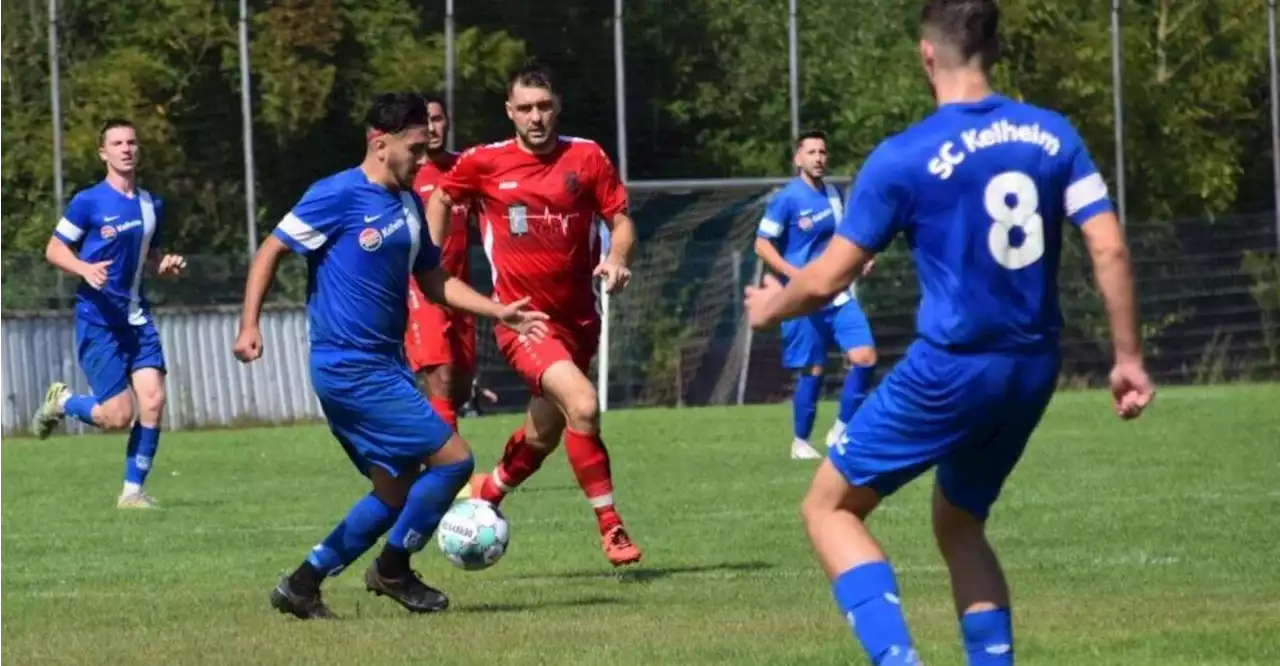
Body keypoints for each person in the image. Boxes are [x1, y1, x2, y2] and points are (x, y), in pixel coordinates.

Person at [744, 1, 1156, 663]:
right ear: (993, 52)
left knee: (829, 509)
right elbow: (1108, 248)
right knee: (960, 523)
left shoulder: (904, 156)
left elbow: (823, 282)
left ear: (926, 56)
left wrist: (768, 310)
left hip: (953, 368)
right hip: (1032, 369)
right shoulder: (1054, 136)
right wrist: (1128, 357)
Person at [233, 92, 547, 620]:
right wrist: (249, 325)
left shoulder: (407, 204)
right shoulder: (336, 195)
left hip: (386, 365)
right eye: (415, 148)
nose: (424, 159)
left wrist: (498, 311)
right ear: (380, 144)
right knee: (454, 461)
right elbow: (272, 249)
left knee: (395, 489)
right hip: (348, 366)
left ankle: (302, 584)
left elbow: (434, 278)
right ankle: (393, 568)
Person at [426, 61, 643, 567]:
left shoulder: (586, 157)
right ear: (510, 112)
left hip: (580, 322)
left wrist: (616, 257)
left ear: (557, 106)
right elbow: (440, 195)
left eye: (544, 106)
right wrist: (429, 255)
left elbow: (621, 220)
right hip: (523, 320)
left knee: (544, 434)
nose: (535, 117)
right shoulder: (485, 162)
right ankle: (611, 527)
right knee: (584, 406)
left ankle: (487, 494)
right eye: (524, 108)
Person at [31, 118, 187, 509]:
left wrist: (163, 267)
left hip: (137, 316)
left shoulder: (153, 205)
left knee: (152, 401)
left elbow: (148, 259)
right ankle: (63, 402)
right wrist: (84, 268)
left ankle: (132, 493)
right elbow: (54, 248)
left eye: (132, 142)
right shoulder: (89, 201)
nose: (126, 149)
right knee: (117, 416)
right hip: (98, 318)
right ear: (104, 153)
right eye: (117, 143)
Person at [754, 129, 878, 460]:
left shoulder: (835, 195)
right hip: (802, 297)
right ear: (798, 159)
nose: (819, 158)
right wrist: (795, 275)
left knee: (865, 357)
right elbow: (762, 244)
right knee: (813, 369)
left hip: (836, 292)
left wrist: (862, 258)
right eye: (811, 152)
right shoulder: (787, 198)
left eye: (823, 152)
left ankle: (842, 430)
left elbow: (845, 238)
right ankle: (800, 442)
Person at [405, 94, 476, 432]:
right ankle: (450, 468)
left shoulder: (466, 169)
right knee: (442, 375)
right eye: (425, 121)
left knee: (461, 385)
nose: (432, 128)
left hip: (460, 289)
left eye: (437, 119)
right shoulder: (405, 173)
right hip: (421, 288)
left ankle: (420, 442)